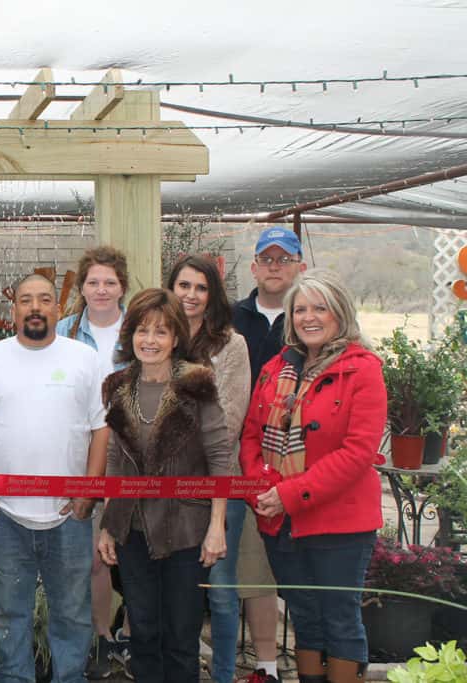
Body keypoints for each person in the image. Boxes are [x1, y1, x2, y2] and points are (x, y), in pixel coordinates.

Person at [240, 269, 385, 683]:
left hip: (339, 523)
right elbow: (251, 434)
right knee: (304, 616)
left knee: (339, 619)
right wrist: (260, 490)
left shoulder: (363, 370)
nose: (309, 317)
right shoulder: (274, 368)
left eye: (320, 308)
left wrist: (289, 493)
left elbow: (357, 454)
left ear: (340, 312)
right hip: (280, 521)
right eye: (300, 309)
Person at [97, 288, 231, 683]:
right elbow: (117, 460)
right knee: (144, 632)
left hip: (186, 531)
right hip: (133, 530)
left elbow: (220, 457)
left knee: (180, 637)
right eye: (142, 330)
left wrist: (217, 525)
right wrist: (109, 523)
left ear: (175, 338)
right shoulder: (118, 385)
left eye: (160, 332)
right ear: (130, 335)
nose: (150, 341)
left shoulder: (197, 383)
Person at [0, 273, 107, 682]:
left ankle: (70, 677)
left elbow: (100, 429)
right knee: (8, 613)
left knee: (72, 612)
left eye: (44, 299)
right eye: (25, 300)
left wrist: (89, 491)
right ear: (13, 308)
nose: (35, 307)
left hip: (69, 514)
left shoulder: (84, 358)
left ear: (58, 308)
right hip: (4, 516)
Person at [167, 256, 251, 683]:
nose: (191, 295)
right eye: (183, 285)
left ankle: (221, 675)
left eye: (200, 288)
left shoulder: (230, 345)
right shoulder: (160, 337)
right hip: (165, 491)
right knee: (173, 592)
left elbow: (230, 418)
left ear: (212, 295)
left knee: (219, 591)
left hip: (219, 487)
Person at [232, 226, 308, 682]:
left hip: (304, 464)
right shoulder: (233, 316)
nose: (276, 266)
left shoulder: (312, 316)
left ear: (300, 266)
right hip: (247, 458)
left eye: (286, 258)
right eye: (268, 258)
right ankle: (266, 665)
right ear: (255, 266)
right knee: (255, 567)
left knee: (306, 570)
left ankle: (313, 658)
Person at [54, 245, 130, 678]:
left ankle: (133, 635)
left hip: (131, 454)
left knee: (134, 548)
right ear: (81, 287)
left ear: (122, 286)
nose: (101, 290)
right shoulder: (64, 330)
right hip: (82, 452)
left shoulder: (139, 329)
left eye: (110, 282)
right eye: (93, 282)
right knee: (93, 556)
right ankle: (101, 638)